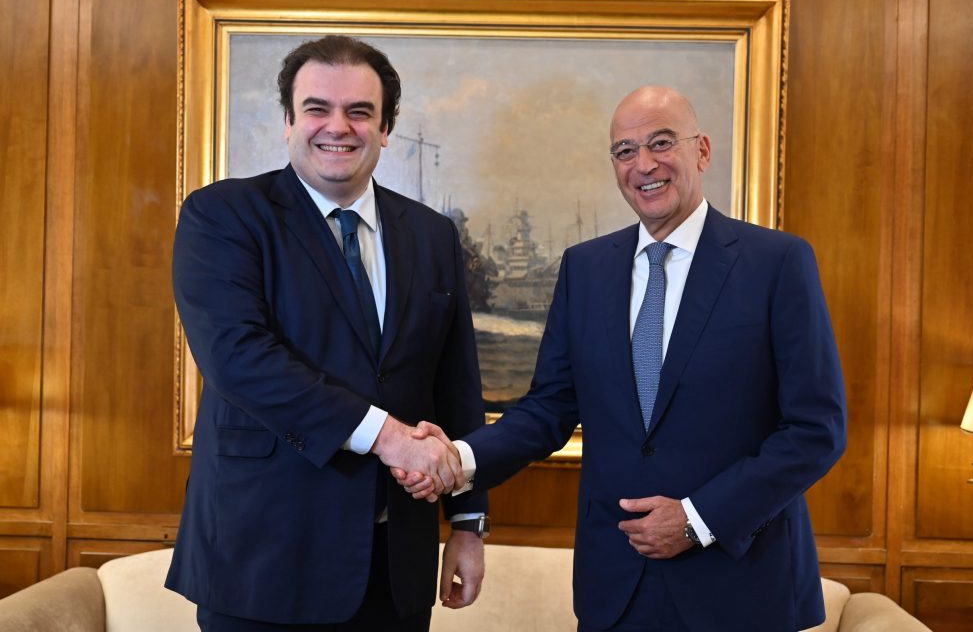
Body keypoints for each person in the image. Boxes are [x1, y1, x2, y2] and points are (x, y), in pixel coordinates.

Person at [397, 86, 847, 631]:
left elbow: (816, 429)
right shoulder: (585, 268)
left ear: (702, 151)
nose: (644, 164)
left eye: (662, 142)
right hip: (617, 586)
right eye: (626, 151)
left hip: (742, 586)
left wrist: (697, 520)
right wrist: (459, 458)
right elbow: (548, 409)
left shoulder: (777, 262)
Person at [166, 34, 488, 632]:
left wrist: (468, 523)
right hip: (264, 561)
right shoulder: (223, 216)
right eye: (317, 108)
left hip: (396, 569)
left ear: (385, 129)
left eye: (359, 111)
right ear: (289, 121)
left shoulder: (433, 235)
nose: (337, 126)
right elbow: (239, 359)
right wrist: (388, 437)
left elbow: (456, 386)